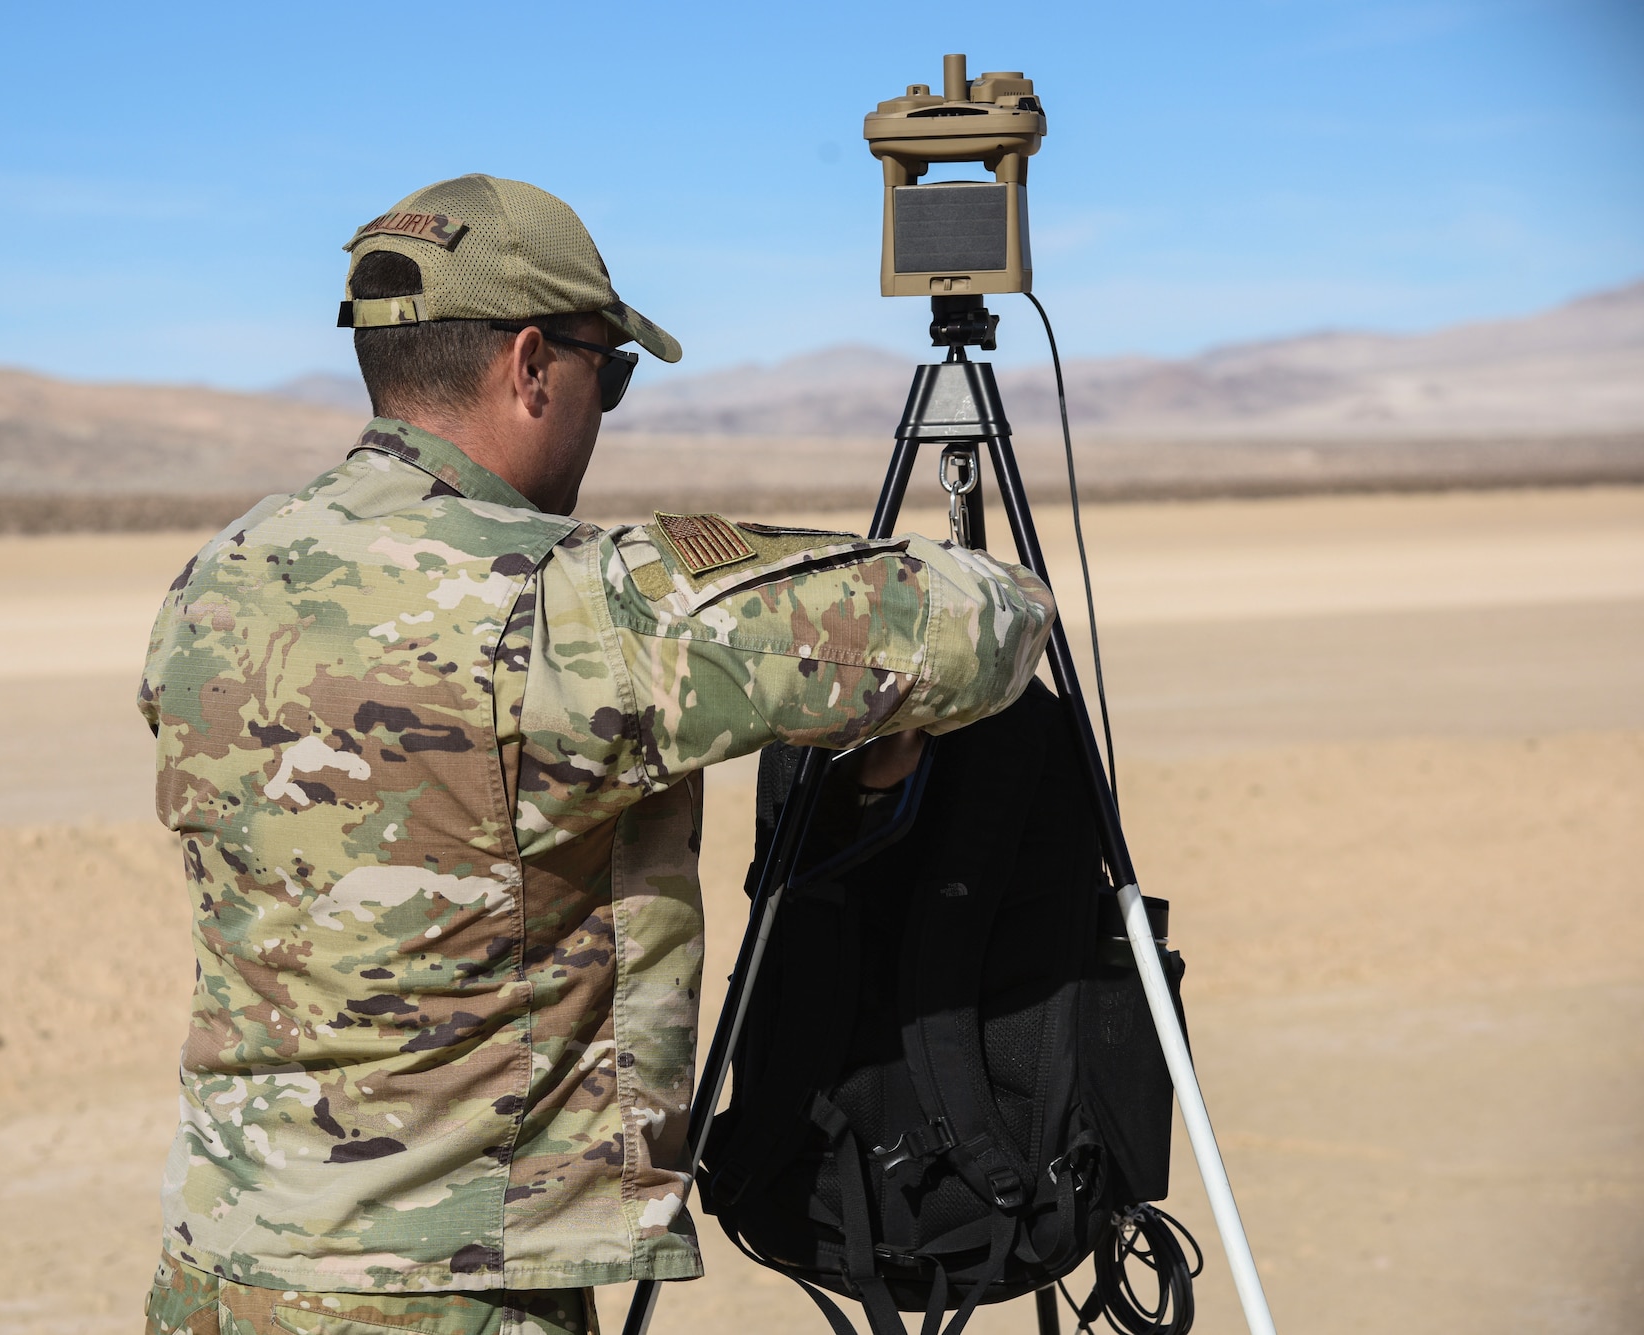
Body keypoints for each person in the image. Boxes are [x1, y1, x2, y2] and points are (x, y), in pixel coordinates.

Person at [137, 174, 1056, 1335]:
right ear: (529, 365)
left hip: (222, 1263)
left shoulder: (222, 575)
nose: (602, 408)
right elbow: (975, 627)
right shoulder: (568, 605)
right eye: (606, 374)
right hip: (452, 1290)